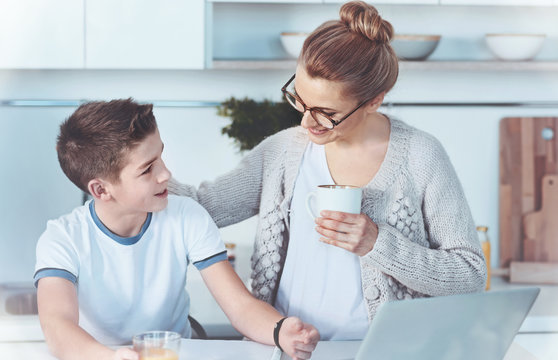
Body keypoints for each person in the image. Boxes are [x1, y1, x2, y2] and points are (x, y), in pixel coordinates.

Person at [169, 0, 487, 341]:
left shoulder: (420, 156)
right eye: (300, 101)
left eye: (326, 112)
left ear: (373, 101)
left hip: (383, 351)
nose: (306, 121)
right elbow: (200, 206)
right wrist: (132, 169)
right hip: (287, 350)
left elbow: (469, 275)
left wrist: (378, 244)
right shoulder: (282, 152)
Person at [34, 99, 319, 360]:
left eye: (160, 157)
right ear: (100, 189)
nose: (165, 174)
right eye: (147, 170)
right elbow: (58, 325)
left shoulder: (186, 216)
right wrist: (112, 357)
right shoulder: (63, 239)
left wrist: (280, 330)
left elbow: (240, 306)